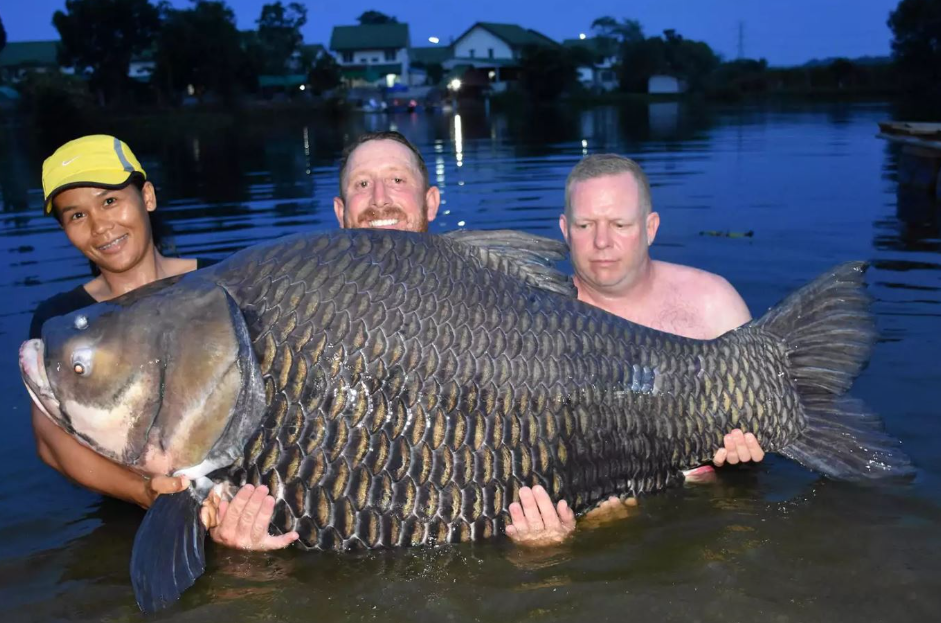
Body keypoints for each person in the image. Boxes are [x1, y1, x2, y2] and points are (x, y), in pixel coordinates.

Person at [28, 135, 295, 551]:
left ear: (147, 196)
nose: (101, 227)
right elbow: (51, 443)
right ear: (65, 230)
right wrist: (145, 492)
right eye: (76, 215)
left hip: (248, 499)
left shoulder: (221, 284)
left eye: (110, 202)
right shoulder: (63, 324)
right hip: (129, 517)